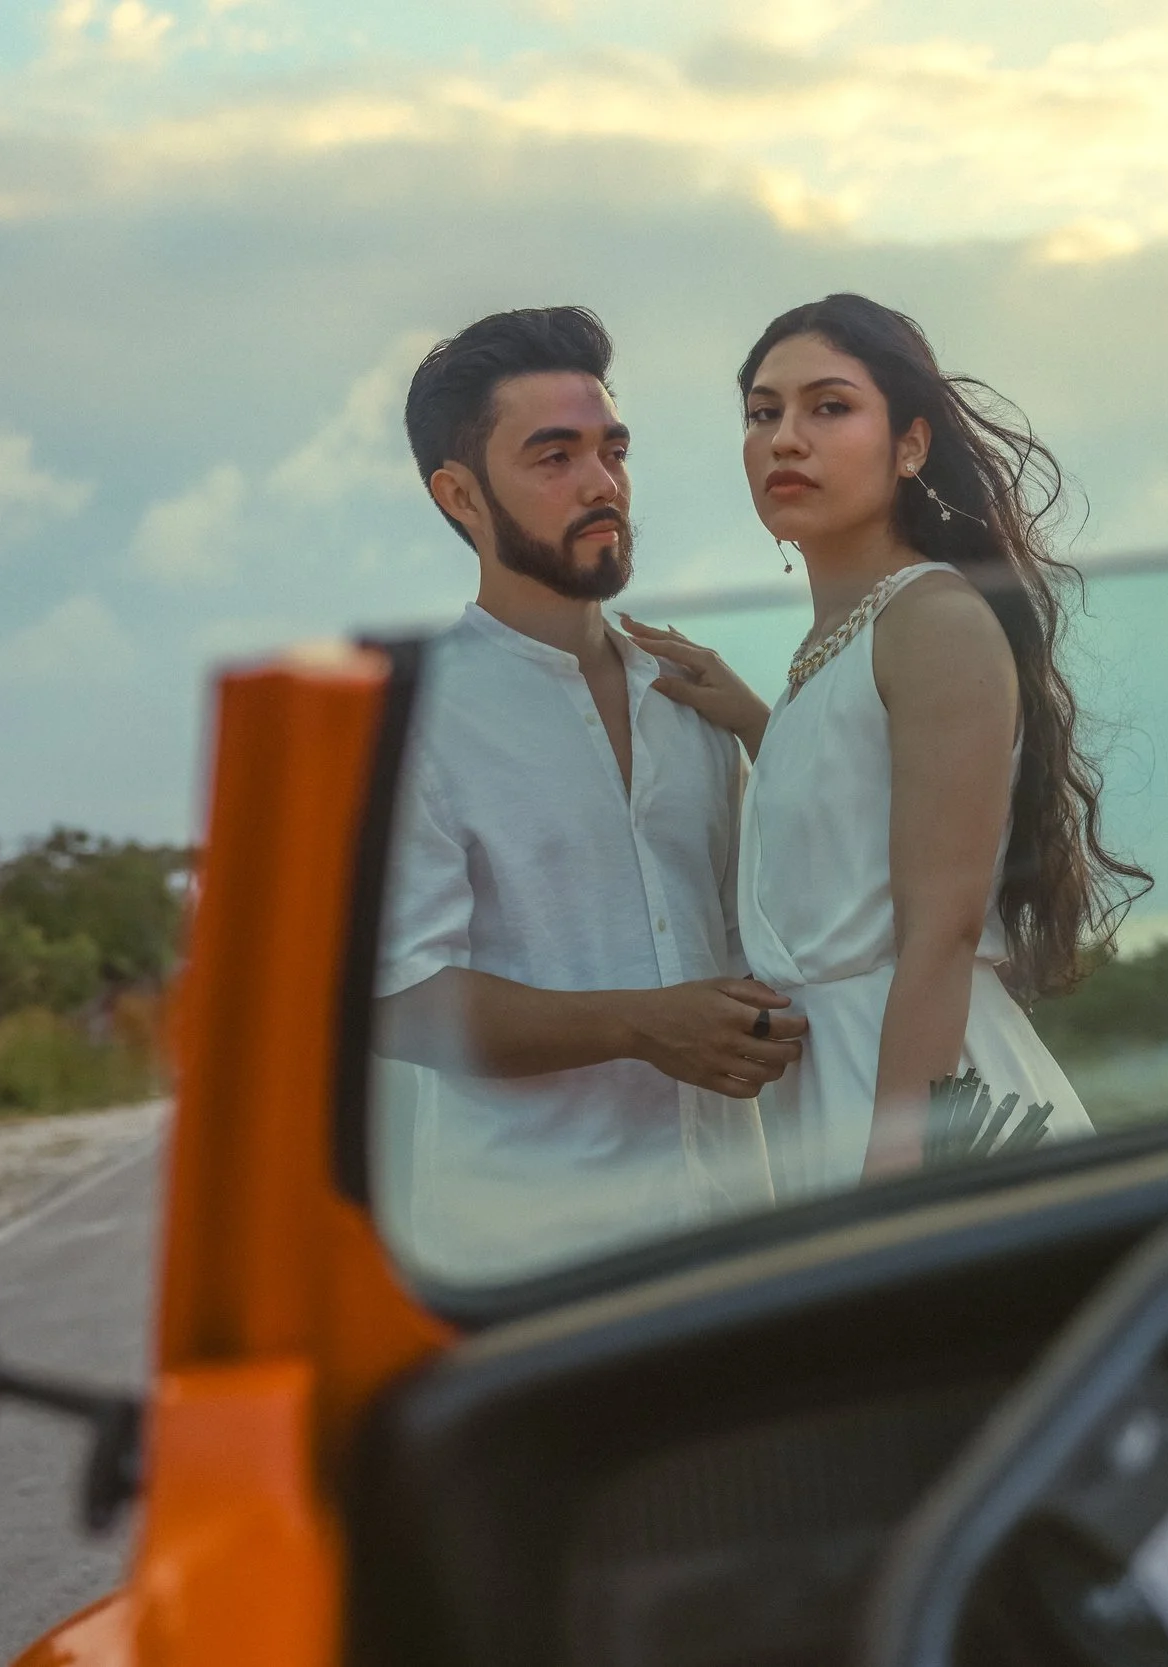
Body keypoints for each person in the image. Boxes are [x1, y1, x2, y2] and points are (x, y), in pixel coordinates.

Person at [625, 293, 1148, 1193]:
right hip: (834, 1097)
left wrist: (898, 1177)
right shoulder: (842, 644)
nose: (787, 437)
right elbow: (861, 806)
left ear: (910, 444)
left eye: (830, 407)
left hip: (918, 1112)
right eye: (763, 412)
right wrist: (760, 719)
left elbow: (937, 935)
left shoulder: (933, 619)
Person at [370, 305, 800, 1280]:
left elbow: (763, 945)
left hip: (736, 1235)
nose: (602, 483)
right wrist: (638, 1022)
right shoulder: (419, 720)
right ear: (460, 494)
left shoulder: (690, 700)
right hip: (532, 1264)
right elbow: (403, 999)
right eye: (553, 456)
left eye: (613, 449)